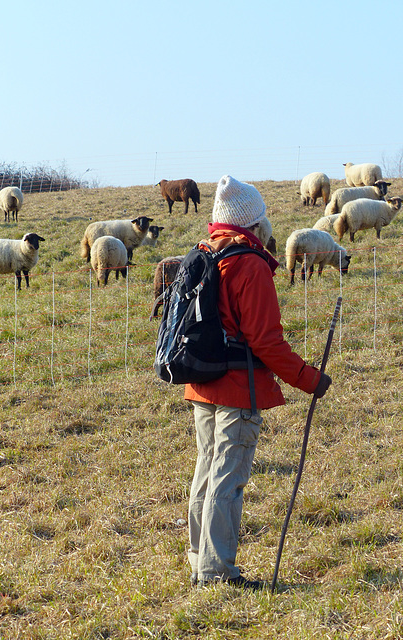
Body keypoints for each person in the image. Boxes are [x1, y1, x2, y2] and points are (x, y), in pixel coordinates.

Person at [184, 175, 332, 589]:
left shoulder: (205, 254)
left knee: (206, 471)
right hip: (236, 389)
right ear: (254, 223)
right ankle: (217, 573)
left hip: (200, 385)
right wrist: (310, 379)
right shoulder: (249, 264)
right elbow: (266, 341)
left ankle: (199, 562)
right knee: (227, 480)